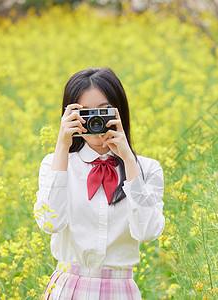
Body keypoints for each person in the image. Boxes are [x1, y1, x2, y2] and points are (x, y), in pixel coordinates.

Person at [34, 67, 165, 299]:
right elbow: (49, 223)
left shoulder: (147, 168)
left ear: (120, 112)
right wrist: (62, 146)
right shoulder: (55, 165)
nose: (94, 121)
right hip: (68, 290)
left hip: (120, 290)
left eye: (103, 112)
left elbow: (147, 232)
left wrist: (128, 162)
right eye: (83, 113)